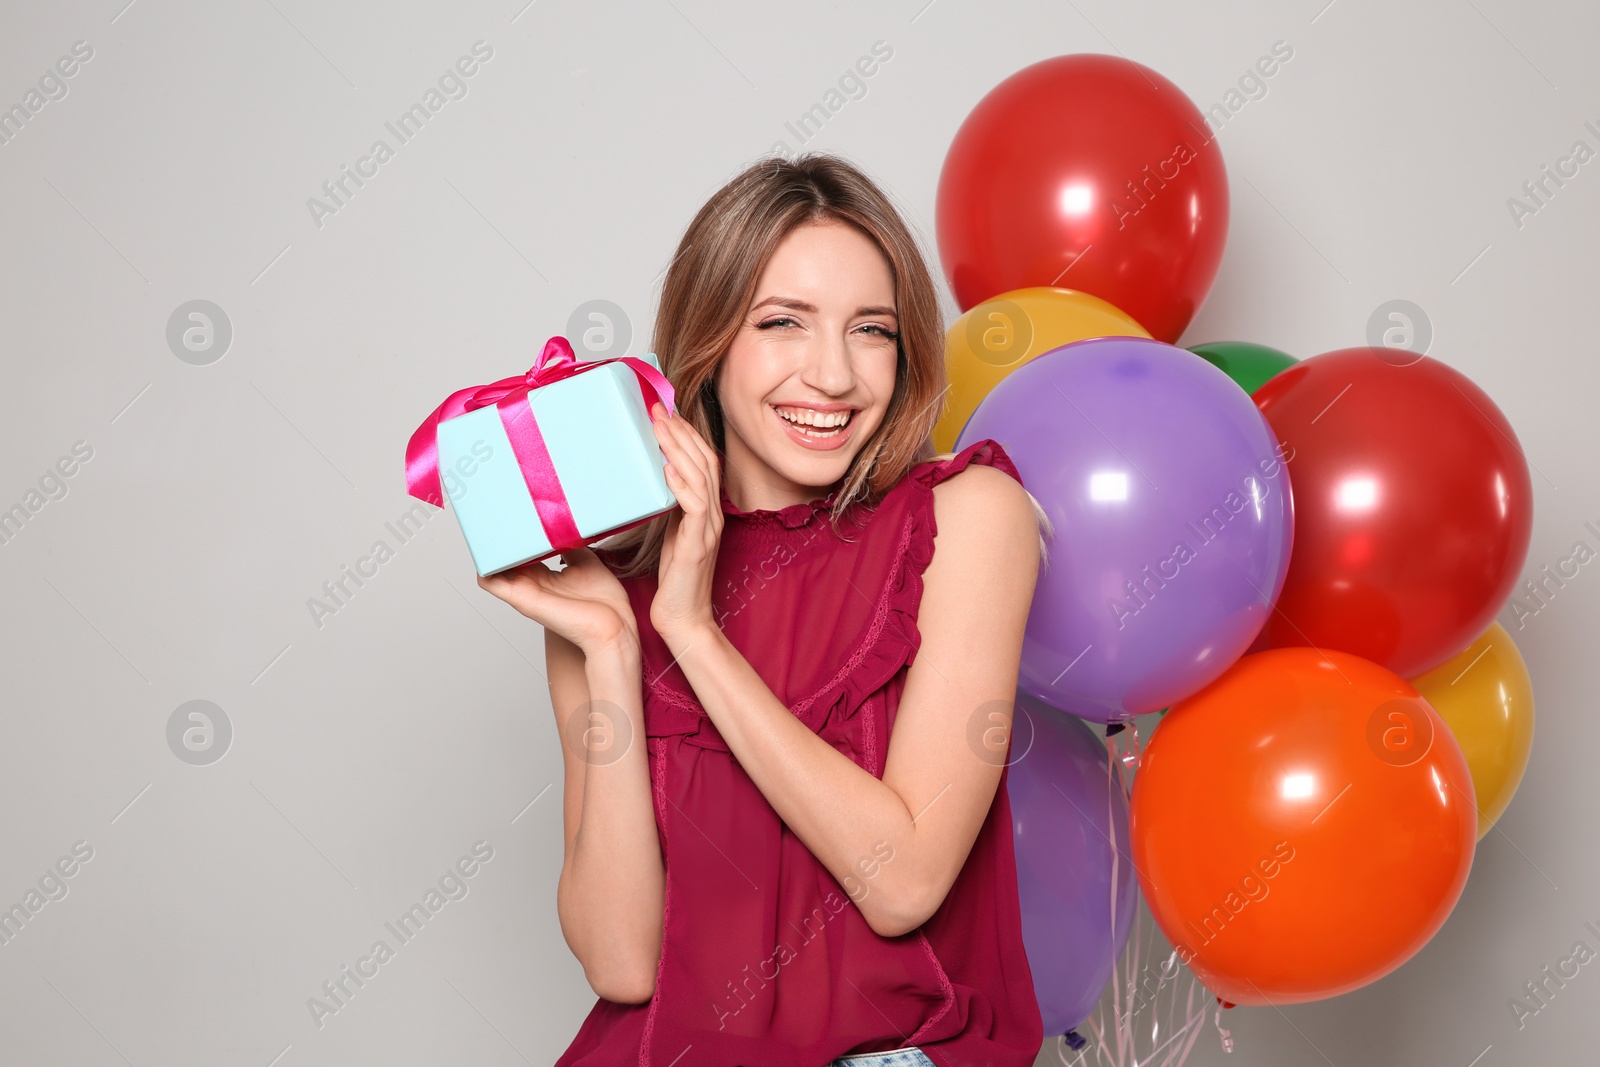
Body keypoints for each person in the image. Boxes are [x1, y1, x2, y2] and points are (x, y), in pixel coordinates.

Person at [479, 153, 1051, 1066]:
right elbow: (622, 963)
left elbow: (901, 881)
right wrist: (615, 650)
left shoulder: (966, 518)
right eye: (782, 323)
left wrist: (694, 632)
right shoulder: (606, 592)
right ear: (710, 343)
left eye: (872, 329)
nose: (833, 375)